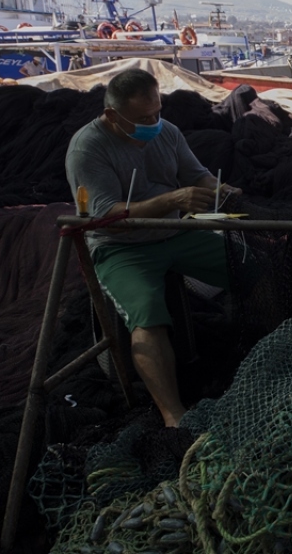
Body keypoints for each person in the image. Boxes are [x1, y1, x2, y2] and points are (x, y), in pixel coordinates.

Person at [66, 69, 239, 427]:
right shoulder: (88, 147)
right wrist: (171, 199)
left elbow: (197, 175)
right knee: (147, 314)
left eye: (157, 112)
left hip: (175, 232)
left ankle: (258, 352)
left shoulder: (168, 132)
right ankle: (173, 415)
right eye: (144, 119)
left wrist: (219, 189)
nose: (154, 123)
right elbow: (105, 215)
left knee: (251, 264)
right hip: (121, 246)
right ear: (112, 115)